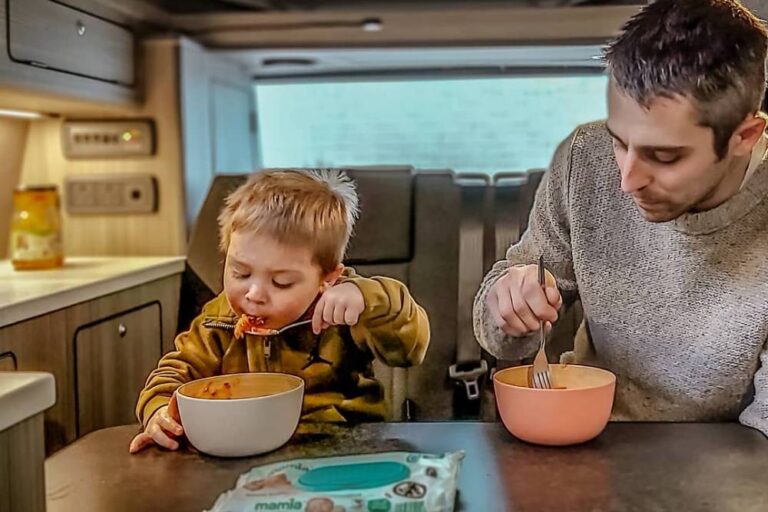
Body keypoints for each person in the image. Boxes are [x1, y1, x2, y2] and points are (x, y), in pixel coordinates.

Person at [473, 0, 768, 434]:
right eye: (619, 141)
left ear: (744, 137)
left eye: (664, 156)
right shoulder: (583, 157)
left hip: (730, 452)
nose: (627, 180)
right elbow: (498, 332)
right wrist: (506, 306)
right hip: (590, 433)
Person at [130, 169, 430, 453]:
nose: (254, 294)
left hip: (341, 445)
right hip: (247, 446)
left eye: (281, 282)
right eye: (240, 273)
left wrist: (369, 299)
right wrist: (159, 409)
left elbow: (408, 349)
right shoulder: (220, 318)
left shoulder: (349, 306)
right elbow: (176, 369)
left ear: (328, 277)